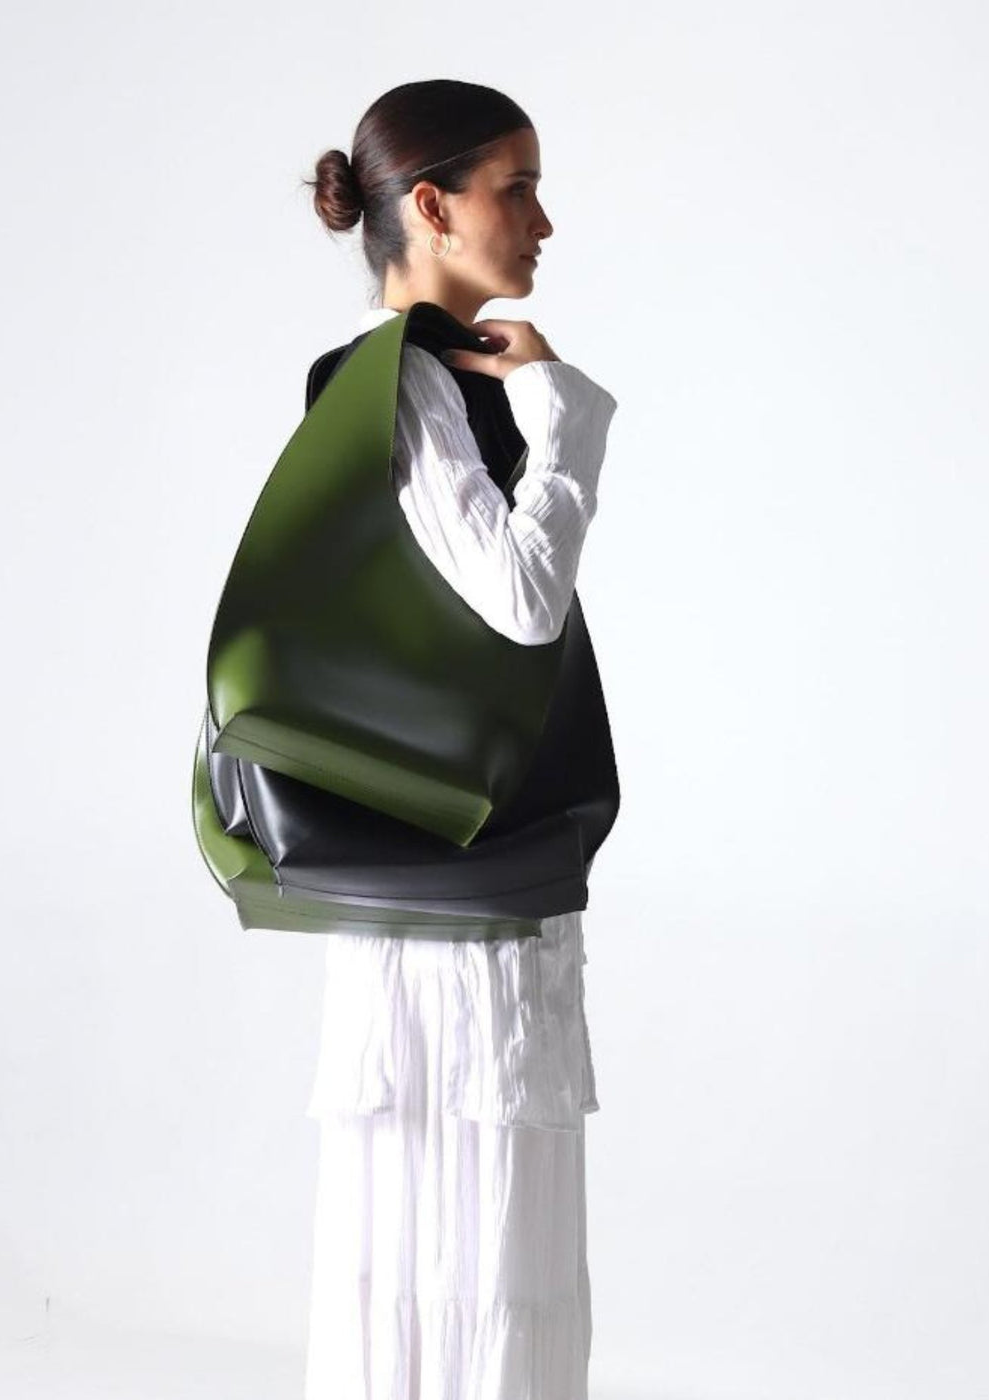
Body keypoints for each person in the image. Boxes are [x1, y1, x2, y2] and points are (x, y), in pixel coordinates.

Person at [299, 80, 618, 1400]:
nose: (543, 220)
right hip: (454, 883)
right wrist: (570, 422)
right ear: (429, 206)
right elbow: (522, 599)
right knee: (466, 1221)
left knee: (459, 1225)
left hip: (457, 860)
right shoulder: (400, 388)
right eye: (517, 186)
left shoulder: (430, 382)